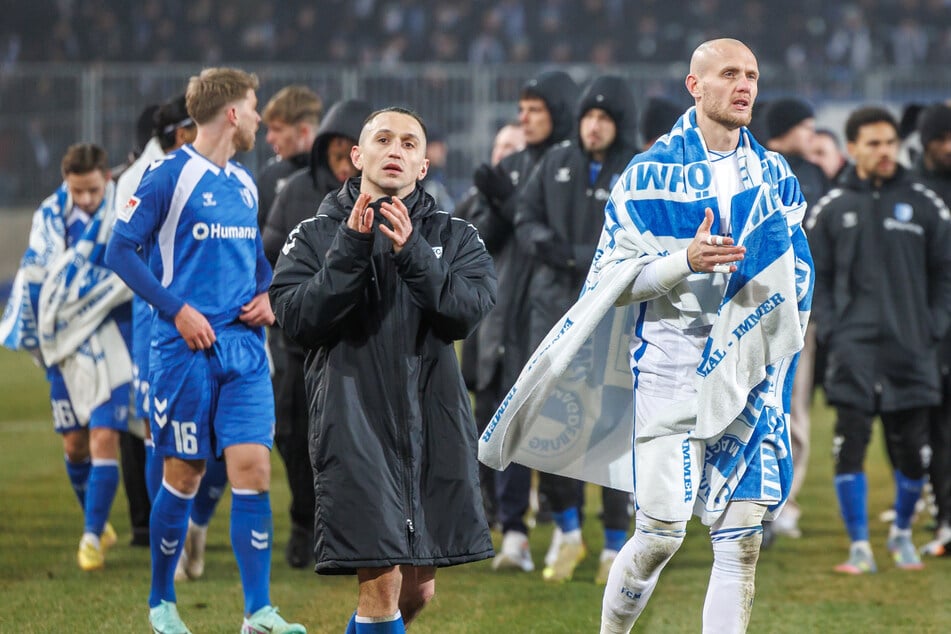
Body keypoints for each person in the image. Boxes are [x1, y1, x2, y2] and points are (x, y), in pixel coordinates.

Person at [480, 38, 813, 633]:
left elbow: (796, 273)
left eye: (753, 76)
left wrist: (767, 328)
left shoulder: (775, 176)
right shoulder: (648, 174)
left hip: (748, 375)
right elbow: (611, 282)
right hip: (670, 373)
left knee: (740, 542)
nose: (745, 86)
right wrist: (685, 260)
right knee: (660, 535)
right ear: (695, 85)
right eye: (730, 74)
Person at [269, 107, 497, 633]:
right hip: (353, 422)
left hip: (432, 421)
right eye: (383, 139)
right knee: (382, 581)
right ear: (357, 156)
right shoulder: (315, 234)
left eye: (409, 143)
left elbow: (466, 311)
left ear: (422, 164)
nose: (396, 149)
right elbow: (298, 319)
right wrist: (350, 249)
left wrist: (412, 249)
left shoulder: (456, 234)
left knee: (417, 589)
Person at [105, 67, 305, 634]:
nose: (261, 118)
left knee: (254, 471)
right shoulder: (166, 175)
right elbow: (120, 252)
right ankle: (161, 602)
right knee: (186, 474)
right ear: (233, 114)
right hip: (184, 352)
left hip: (243, 350)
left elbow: (254, 261)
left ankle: (257, 612)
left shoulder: (244, 182)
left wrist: (268, 294)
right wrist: (176, 309)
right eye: (255, 106)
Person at [807, 105, 951, 575]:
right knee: (850, 445)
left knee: (911, 452)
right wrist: (831, 328)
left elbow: (944, 274)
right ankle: (858, 546)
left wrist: (933, 326)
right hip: (852, 350)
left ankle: (903, 534)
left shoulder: (927, 203)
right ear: (852, 148)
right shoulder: (831, 208)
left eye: (890, 142)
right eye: (873, 143)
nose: (885, 151)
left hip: (912, 351)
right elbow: (816, 278)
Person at [514, 75, 639, 584]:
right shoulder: (555, 161)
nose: (594, 126)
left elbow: (642, 239)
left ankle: (614, 543)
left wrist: (585, 260)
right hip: (553, 312)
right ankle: (566, 533)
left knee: (609, 428)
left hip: (612, 317)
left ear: (620, 124)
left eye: (605, 118)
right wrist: (565, 255)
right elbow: (525, 218)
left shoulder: (638, 169)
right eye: (589, 116)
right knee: (551, 425)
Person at [1, 143, 134, 571]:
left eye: (93, 190)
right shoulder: (48, 217)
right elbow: (37, 275)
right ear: (67, 184)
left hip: (112, 338)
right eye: (77, 192)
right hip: (65, 345)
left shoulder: (123, 214)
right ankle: (97, 521)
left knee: (103, 436)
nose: (86, 200)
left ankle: (92, 536)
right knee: (75, 446)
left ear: (106, 179)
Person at [471, 69, 579, 573]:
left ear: (558, 110)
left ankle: (566, 525)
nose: (526, 118)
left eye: (535, 109)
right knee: (506, 421)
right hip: (504, 313)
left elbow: (555, 239)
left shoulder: (574, 169)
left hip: (553, 313)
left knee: (557, 429)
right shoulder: (511, 166)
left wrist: (512, 204)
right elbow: (484, 242)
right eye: (522, 110)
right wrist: (492, 203)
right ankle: (513, 531)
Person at [261, 96, 372, 568]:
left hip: (359, 345)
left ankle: (347, 527)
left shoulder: (382, 193)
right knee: (292, 435)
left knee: (354, 441)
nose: (343, 152)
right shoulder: (294, 191)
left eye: (353, 144)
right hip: (296, 344)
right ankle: (304, 520)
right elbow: (267, 250)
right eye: (337, 143)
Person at [115, 96, 199, 548]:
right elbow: (124, 253)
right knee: (156, 427)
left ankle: (181, 528)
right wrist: (171, 304)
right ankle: (165, 536)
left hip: (195, 316)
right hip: (158, 318)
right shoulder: (138, 178)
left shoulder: (204, 171)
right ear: (181, 133)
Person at [761, 97, 831, 545]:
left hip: (801, 315)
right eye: (805, 125)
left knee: (793, 412)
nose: (812, 134)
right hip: (756, 309)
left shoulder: (814, 173)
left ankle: (782, 501)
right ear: (784, 130)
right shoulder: (755, 166)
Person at [456, 121, 525, 530]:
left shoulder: (531, 201)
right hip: (485, 327)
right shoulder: (474, 202)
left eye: (512, 146)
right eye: (499, 145)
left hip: (518, 323)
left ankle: (532, 506)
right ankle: (487, 505)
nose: (503, 153)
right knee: (483, 419)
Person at [910, 102, 951, 557]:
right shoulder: (914, 191)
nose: (948, 147)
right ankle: (945, 519)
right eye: (941, 139)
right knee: (937, 432)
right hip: (930, 330)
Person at [256, 84, 322, 229]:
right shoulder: (269, 175)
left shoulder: (336, 175)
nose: (269, 138)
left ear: (304, 131)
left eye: (277, 129)